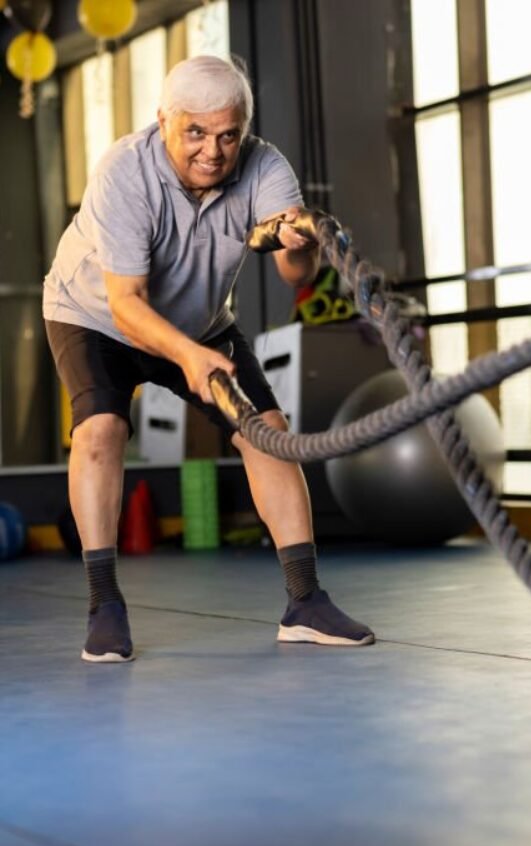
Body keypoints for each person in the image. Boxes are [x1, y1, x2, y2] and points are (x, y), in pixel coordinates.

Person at [43, 55, 374, 663]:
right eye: (195, 132)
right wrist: (191, 359)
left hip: (201, 320)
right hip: (94, 314)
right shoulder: (124, 171)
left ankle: (304, 603)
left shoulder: (265, 165)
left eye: (228, 134)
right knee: (101, 430)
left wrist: (300, 244)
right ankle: (105, 606)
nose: (213, 152)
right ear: (163, 120)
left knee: (267, 433)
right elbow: (126, 305)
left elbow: (292, 270)